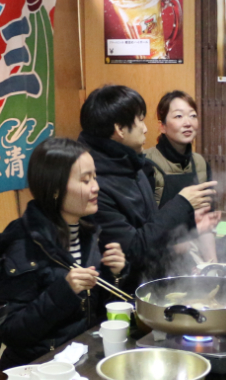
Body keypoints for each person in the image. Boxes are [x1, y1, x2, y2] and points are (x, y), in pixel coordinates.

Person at [0, 138, 127, 369]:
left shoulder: (91, 232)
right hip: (37, 371)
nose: (96, 187)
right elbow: (11, 332)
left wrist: (116, 274)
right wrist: (64, 291)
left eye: (95, 177)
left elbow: (96, 314)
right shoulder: (22, 242)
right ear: (56, 189)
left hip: (81, 361)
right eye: (85, 180)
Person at [77, 84, 216, 287]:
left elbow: (151, 230)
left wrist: (191, 227)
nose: (145, 128)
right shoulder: (95, 185)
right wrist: (182, 203)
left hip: (153, 281)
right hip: (122, 295)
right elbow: (133, 248)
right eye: (140, 120)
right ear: (119, 129)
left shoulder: (134, 166)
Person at [144, 90, 220, 263]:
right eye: (178, 116)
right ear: (161, 126)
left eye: (192, 116)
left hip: (191, 256)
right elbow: (144, 228)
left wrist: (212, 265)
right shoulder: (147, 164)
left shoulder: (200, 164)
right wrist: (174, 243)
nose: (188, 123)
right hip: (154, 258)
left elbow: (205, 223)